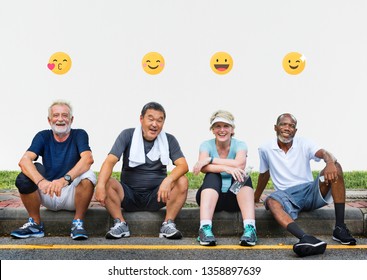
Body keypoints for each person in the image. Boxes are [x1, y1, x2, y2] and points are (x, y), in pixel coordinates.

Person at [254, 113, 357, 257]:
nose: (287, 128)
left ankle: (340, 228)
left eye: (291, 126)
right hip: (286, 196)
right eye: (284, 124)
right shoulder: (265, 148)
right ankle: (306, 238)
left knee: (336, 168)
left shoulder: (304, 143)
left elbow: (324, 153)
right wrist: (256, 196)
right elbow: (265, 174)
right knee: (271, 201)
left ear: (295, 131)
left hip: (310, 191)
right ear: (275, 127)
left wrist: (330, 162)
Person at [95, 101, 189, 239]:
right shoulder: (127, 135)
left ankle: (168, 224)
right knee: (106, 181)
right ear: (141, 119)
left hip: (157, 195)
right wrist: (101, 185)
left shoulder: (169, 139)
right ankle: (120, 223)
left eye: (159, 120)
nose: (154, 124)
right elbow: (110, 161)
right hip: (128, 195)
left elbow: (183, 165)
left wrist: (168, 180)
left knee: (182, 180)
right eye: (150, 119)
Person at [10, 100, 96, 240]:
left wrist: (64, 180)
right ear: (49, 120)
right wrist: (41, 182)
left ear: (71, 119)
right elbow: (24, 161)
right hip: (48, 192)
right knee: (25, 175)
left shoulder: (79, 134)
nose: (60, 119)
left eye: (65, 115)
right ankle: (35, 224)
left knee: (89, 175)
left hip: (72, 195)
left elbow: (88, 159)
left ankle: (78, 223)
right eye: (56, 115)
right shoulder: (43, 136)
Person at [193, 110, 257, 246]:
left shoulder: (240, 144)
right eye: (218, 126)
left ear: (232, 129)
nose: (222, 130)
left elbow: (240, 164)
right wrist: (226, 168)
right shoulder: (206, 145)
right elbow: (202, 168)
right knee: (212, 175)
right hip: (211, 200)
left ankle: (250, 229)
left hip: (235, 198)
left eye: (226, 126)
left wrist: (210, 159)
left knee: (242, 175)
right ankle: (204, 229)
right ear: (213, 130)